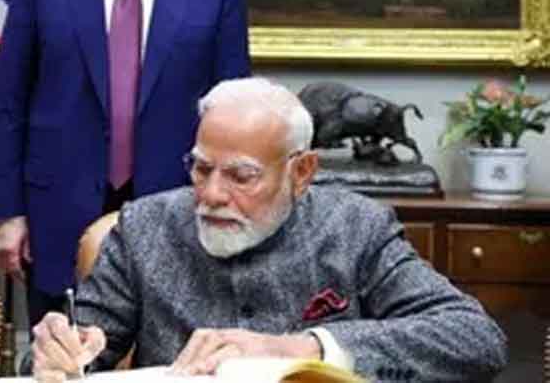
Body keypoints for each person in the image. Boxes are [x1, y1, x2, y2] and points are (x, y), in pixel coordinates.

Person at [30, 77, 508, 382]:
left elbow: (476, 340)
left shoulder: (356, 228)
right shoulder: (144, 228)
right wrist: (59, 351)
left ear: (301, 172)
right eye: (201, 168)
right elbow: (80, 344)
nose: (212, 194)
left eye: (241, 176)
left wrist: (302, 348)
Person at [0, 0, 251, 330]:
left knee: (170, 355)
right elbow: (9, 103)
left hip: (179, 211)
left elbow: (235, 115)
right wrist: (7, 212)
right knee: (62, 354)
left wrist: (232, 209)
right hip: (58, 212)